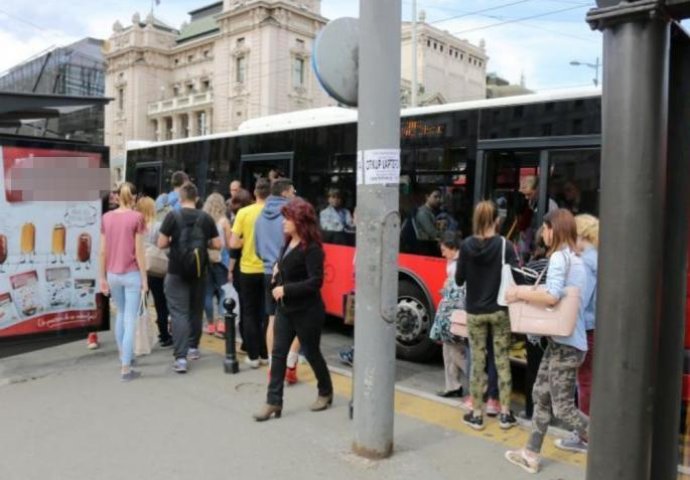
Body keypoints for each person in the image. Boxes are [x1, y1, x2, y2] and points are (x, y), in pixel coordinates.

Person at [504, 209, 589, 473]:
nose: (542, 232)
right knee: (540, 394)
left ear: (556, 229)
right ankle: (530, 453)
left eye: (546, 227)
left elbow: (552, 296)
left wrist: (519, 292)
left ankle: (608, 442)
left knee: (562, 407)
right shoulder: (577, 259)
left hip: (567, 344)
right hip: (562, 341)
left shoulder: (560, 259)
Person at [253, 198, 334, 421]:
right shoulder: (287, 243)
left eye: (288, 219)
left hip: (307, 311)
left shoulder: (313, 248)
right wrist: (278, 276)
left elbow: (315, 282)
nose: (283, 223)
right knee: (278, 354)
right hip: (285, 310)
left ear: (300, 221)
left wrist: (286, 289)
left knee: (312, 352)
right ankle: (273, 402)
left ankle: (325, 391)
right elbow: (284, 274)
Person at [455, 200, 518, 431]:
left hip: (475, 312)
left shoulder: (466, 246)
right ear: (496, 220)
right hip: (499, 311)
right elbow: (516, 277)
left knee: (478, 362)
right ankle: (505, 414)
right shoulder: (505, 246)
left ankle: (477, 415)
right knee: (501, 361)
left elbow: (459, 279)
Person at [158, 182, 221, 374]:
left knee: (179, 313)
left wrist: (174, 241)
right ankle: (193, 348)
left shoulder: (172, 216)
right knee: (195, 310)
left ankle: (181, 358)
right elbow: (217, 244)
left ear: (180, 198)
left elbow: (161, 243)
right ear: (197, 198)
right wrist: (202, 244)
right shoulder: (206, 218)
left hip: (176, 271)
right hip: (199, 271)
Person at [99, 182, 147, 381]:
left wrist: (101, 277)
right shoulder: (137, 217)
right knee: (130, 319)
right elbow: (139, 252)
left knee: (120, 314)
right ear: (134, 198)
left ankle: (123, 355)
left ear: (117, 197)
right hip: (132, 274)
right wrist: (145, 279)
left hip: (112, 274)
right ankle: (126, 368)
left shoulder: (106, 218)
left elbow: (102, 251)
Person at [255, 178, 301, 384]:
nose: (294, 193)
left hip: (266, 272)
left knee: (272, 320)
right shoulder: (291, 214)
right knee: (300, 320)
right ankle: (290, 365)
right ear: (285, 193)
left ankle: (274, 367)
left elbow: (257, 248)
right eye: (292, 190)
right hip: (289, 272)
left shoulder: (260, 216)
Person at [231, 178, 270, 368]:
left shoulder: (244, 213)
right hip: (269, 269)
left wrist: (244, 242)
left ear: (255, 193)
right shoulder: (277, 212)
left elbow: (232, 242)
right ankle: (265, 354)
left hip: (247, 269)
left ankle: (253, 356)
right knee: (266, 314)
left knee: (249, 313)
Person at [429, 231, 468, 398]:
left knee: (454, 350)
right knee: (447, 348)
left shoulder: (462, 263)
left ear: (453, 248)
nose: (442, 253)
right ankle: (453, 385)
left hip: (457, 312)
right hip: (451, 310)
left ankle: (481, 381)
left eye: (444, 250)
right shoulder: (452, 261)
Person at [136, 196, 173, 347]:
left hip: (138, 268)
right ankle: (164, 335)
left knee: (140, 303)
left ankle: (140, 336)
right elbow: (164, 245)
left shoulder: (135, 226)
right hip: (156, 269)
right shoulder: (157, 225)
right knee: (160, 302)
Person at [574, 214, 599, 418]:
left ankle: (583, 432)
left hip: (587, 326)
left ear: (581, 235)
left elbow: (582, 298)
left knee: (584, 379)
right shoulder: (600, 257)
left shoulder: (585, 262)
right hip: (598, 325)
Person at [202, 193, 233, 335]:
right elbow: (228, 244)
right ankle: (221, 323)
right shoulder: (224, 221)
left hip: (206, 260)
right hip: (222, 261)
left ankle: (210, 324)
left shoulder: (203, 219)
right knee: (223, 292)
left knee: (207, 293)